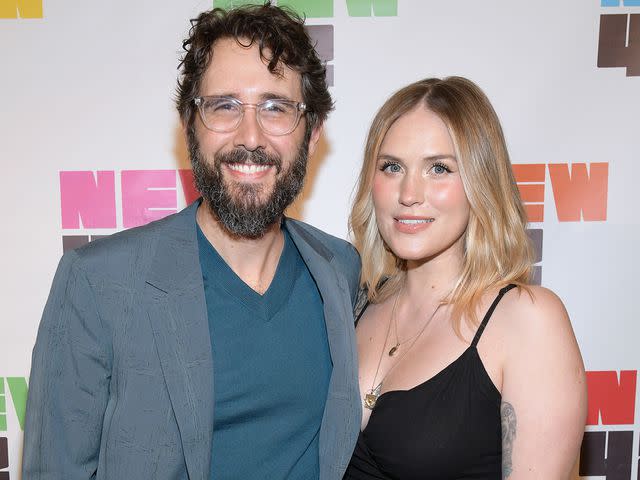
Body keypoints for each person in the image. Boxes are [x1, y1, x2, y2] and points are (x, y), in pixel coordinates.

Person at [22, 3, 362, 479]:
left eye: (275, 107)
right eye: (224, 106)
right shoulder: (98, 285)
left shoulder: (341, 271)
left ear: (311, 135)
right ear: (190, 127)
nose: (250, 136)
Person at [344, 77, 587, 479]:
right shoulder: (352, 303)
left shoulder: (527, 321)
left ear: (480, 181)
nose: (409, 193)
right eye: (392, 167)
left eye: (439, 168)